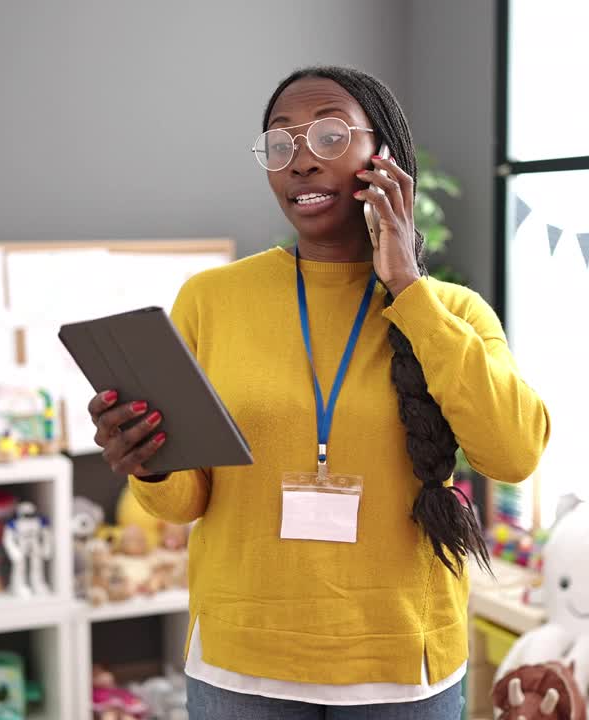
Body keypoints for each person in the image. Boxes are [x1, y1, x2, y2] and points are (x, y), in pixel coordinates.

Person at [88, 66, 550, 719]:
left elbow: (514, 454)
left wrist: (408, 288)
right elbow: (185, 502)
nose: (300, 161)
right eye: (280, 145)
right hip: (239, 665)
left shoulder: (453, 313)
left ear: (384, 158)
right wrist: (148, 459)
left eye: (330, 136)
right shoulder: (210, 301)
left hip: (401, 671)